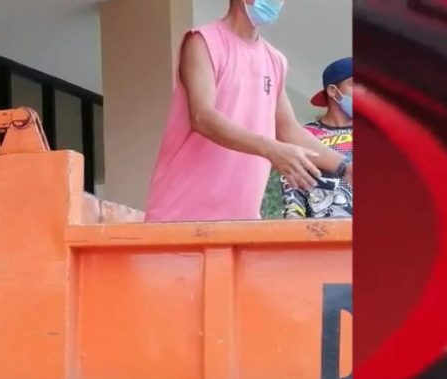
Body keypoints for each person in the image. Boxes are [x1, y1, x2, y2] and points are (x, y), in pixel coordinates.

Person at [143, 0, 353, 223]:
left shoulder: (275, 61)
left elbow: (288, 128)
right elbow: (202, 116)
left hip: (242, 221)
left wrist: (344, 167)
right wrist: (270, 148)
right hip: (182, 215)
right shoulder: (203, 42)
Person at [284, 57, 353, 219]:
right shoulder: (304, 135)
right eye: (354, 84)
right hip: (321, 234)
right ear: (332, 91)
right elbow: (293, 187)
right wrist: (293, 221)